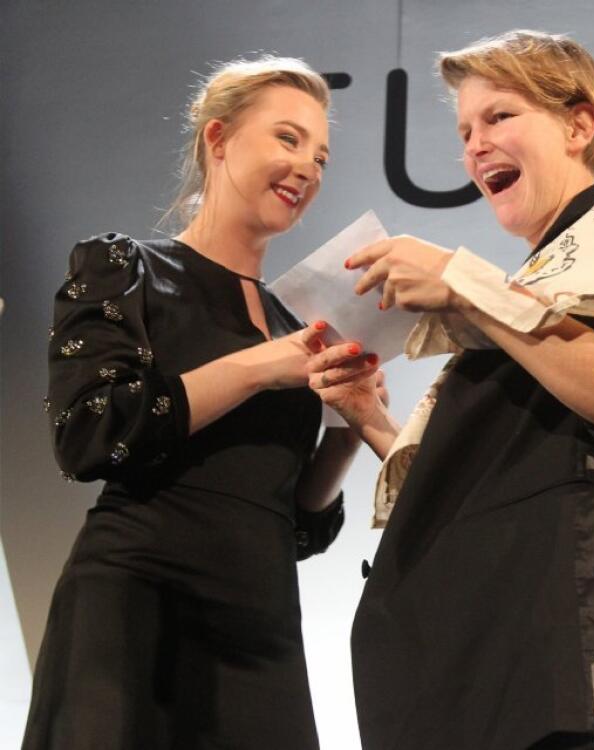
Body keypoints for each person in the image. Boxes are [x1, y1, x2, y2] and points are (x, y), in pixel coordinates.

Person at [310, 30, 594, 750]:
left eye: (500, 116)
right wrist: (372, 419)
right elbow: (490, 480)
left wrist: (464, 283)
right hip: (465, 682)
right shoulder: (525, 301)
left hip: (566, 684)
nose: (475, 146)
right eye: (465, 131)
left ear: (580, 123)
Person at [24, 55, 378, 749]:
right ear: (218, 140)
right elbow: (90, 434)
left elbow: (295, 528)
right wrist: (254, 369)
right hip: (136, 608)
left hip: (261, 629)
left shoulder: (290, 324)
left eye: (321, 155)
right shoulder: (126, 270)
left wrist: (344, 428)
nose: (307, 166)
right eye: (287, 138)